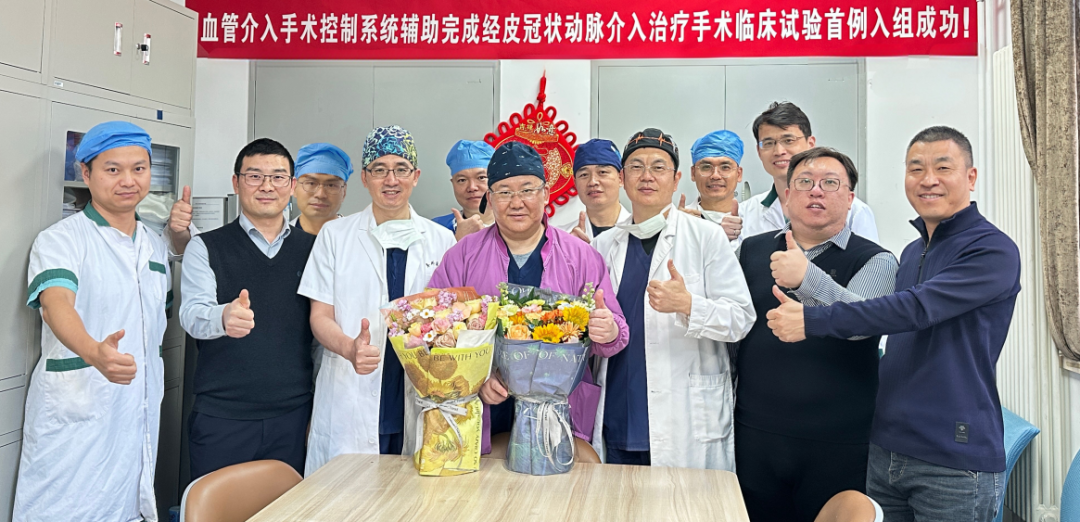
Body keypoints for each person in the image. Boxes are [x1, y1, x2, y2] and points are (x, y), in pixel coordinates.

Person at [766, 127, 1019, 521]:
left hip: (952, 457)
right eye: (916, 169)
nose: (928, 179)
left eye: (943, 168)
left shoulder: (991, 249)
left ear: (970, 177)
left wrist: (812, 318)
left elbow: (913, 309)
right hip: (887, 449)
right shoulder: (914, 249)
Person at [428, 141, 630, 454]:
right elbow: (433, 330)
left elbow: (615, 334)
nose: (516, 202)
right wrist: (475, 379)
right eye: (504, 192)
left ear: (545, 193)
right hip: (483, 410)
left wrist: (610, 330)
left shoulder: (581, 256)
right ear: (490, 199)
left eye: (527, 190)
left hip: (559, 410)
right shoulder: (462, 256)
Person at [15, 122, 171, 521]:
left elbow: (157, 318)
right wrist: (93, 352)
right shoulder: (62, 239)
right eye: (112, 169)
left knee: (127, 505)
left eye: (139, 169)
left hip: (135, 413)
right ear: (86, 173)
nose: (128, 180)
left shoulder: (155, 246)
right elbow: (56, 304)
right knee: (65, 508)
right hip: (79, 410)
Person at [735, 147, 898, 521]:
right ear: (787, 194)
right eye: (804, 182)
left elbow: (863, 324)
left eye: (830, 183)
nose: (816, 191)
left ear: (850, 198)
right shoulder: (752, 250)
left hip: (839, 441)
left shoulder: (877, 259)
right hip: (756, 434)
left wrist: (806, 278)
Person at [590, 128, 755, 469]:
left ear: (677, 178)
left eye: (658, 167)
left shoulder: (706, 237)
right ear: (622, 178)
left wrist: (689, 305)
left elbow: (741, 319)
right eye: (636, 167)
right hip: (620, 413)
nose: (647, 176)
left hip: (685, 418)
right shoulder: (604, 245)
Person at [299, 125, 455, 475]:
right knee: (347, 496)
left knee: (412, 495)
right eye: (379, 169)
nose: (391, 179)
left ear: (416, 176)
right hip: (352, 389)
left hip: (417, 390)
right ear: (364, 178)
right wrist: (348, 348)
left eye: (401, 169)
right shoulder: (335, 236)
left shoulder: (442, 240)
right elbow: (320, 315)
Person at [180, 138, 316, 479]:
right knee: (215, 504)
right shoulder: (205, 246)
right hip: (223, 416)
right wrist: (223, 316)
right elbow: (191, 313)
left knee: (289, 506)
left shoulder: (314, 250)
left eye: (278, 177)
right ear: (236, 183)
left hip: (293, 415)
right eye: (254, 176)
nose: (267, 186)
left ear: (292, 186)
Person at [738, 102, 878, 243]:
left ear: (810, 144)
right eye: (768, 143)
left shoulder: (854, 211)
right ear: (759, 151)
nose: (779, 151)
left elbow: (868, 255)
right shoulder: (744, 213)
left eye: (788, 140)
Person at [678, 129, 746, 242]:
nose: (715, 176)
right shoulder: (678, 222)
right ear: (693, 173)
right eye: (706, 167)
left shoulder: (755, 220)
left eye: (725, 167)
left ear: (739, 174)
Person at [559, 138, 631, 243]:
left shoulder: (641, 233)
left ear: (621, 178)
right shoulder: (560, 239)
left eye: (602, 172)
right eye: (584, 175)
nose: (593, 182)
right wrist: (567, 250)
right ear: (575, 183)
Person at [432, 139, 496, 240]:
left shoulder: (516, 226)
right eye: (462, 180)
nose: (472, 187)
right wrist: (458, 241)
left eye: (481, 177)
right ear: (453, 183)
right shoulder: (435, 229)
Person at [292, 142, 352, 235]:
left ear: (344, 192)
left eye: (331, 185)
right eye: (311, 183)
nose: (320, 194)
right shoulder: (276, 240)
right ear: (294, 187)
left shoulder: (360, 239)